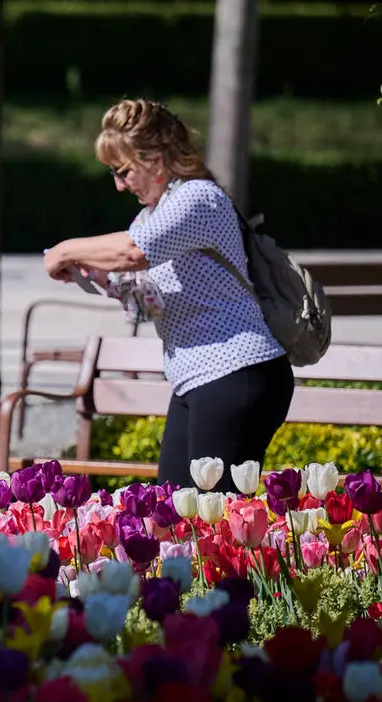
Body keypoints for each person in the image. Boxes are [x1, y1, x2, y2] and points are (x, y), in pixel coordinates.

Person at [41, 99, 293, 494]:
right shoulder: (152, 215)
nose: (119, 185)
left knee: (214, 521)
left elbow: (132, 252)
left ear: (156, 161)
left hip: (238, 370)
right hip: (195, 376)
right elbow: (149, 299)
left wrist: (65, 250)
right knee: (171, 510)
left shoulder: (198, 199)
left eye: (123, 172)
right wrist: (99, 277)